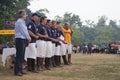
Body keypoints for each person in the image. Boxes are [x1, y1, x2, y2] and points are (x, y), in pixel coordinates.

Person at [14, 10, 31, 76]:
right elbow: (24, 31)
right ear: (22, 15)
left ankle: (20, 70)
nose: (25, 16)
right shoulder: (20, 22)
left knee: (22, 56)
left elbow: (25, 30)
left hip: (22, 39)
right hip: (20, 39)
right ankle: (17, 71)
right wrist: (28, 37)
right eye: (25, 15)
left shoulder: (22, 22)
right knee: (19, 55)